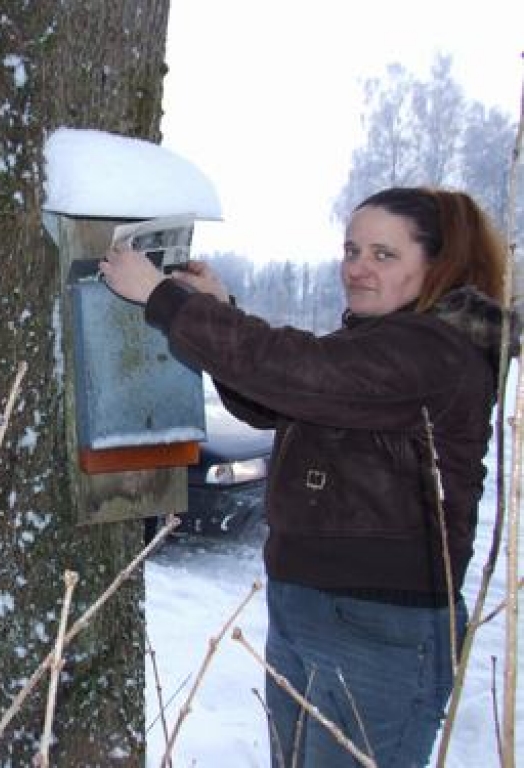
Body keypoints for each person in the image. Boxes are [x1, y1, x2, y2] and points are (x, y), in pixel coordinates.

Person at [99, 186, 517, 767]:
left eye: (382, 254)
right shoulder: (376, 341)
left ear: (438, 263)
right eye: (351, 250)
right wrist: (219, 306)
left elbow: (302, 374)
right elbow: (276, 397)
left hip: (380, 623)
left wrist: (163, 298)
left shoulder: (437, 350)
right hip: (308, 604)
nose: (357, 268)